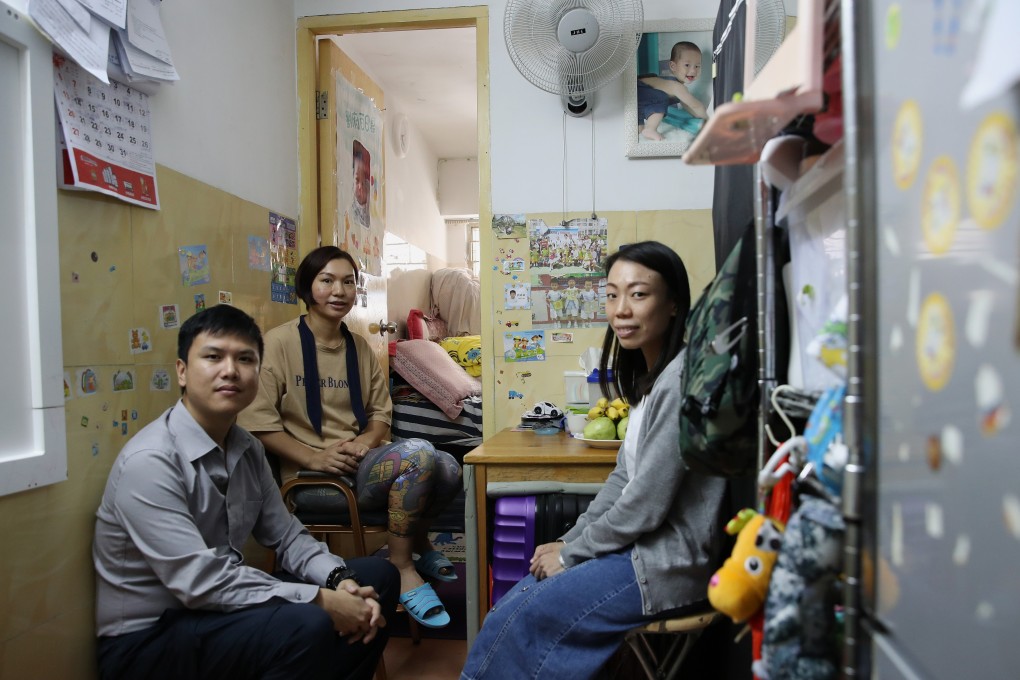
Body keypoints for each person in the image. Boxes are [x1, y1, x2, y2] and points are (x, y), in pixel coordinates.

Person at [461, 242, 729, 679]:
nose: (621, 310)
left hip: (666, 565)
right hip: (636, 552)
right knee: (512, 605)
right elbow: (621, 481)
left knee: (528, 617)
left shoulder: (680, 381)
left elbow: (644, 505)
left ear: (674, 304)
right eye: (611, 295)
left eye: (638, 294)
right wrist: (569, 541)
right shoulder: (650, 383)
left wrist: (572, 554)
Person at [93, 305, 399, 680]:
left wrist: (339, 580)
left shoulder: (246, 448)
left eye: (245, 359)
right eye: (213, 357)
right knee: (308, 623)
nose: (230, 371)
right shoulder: (150, 461)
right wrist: (322, 599)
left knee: (378, 579)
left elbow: (286, 536)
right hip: (149, 641)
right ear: (182, 371)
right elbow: (199, 583)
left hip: (216, 613)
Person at [239, 245, 462, 629]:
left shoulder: (358, 346)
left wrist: (364, 443)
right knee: (419, 454)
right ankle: (402, 566)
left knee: (448, 466)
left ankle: (418, 543)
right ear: (306, 287)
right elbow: (258, 424)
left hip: (360, 464)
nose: (339, 291)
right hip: (311, 479)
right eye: (326, 280)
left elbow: (380, 415)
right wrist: (314, 457)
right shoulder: (277, 344)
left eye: (347, 282)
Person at [637, 41, 707, 141]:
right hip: (639, 90)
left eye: (697, 66)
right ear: (673, 66)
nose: (693, 71)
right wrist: (709, 118)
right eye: (687, 65)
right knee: (660, 97)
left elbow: (688, 106)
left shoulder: (678, 87)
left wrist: (698, 116)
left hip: (641, 97)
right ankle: (650, 129)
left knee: (639, 130)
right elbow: (696, 106)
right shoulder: (677, 86)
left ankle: (642, 129)